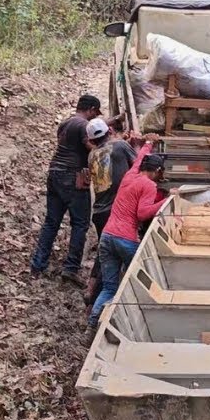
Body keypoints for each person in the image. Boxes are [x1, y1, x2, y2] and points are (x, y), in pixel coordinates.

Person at [88, 139, 169, 329]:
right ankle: (127, 323)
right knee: (140, 280)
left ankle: (92, 325)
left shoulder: (130, 175)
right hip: (125, 239)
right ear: (157, 171)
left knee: (109, 287)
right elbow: (143, 213)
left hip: (107, 236)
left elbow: (139, 157)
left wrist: (148, 144)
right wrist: (166, 200)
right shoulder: (149, 186)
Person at [31, 94, 102, 286]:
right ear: (92, 110)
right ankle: (70, 269)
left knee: (51, 222)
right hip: (73, 177)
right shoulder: (83, 126)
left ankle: (38, 264)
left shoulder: (66, 123)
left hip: (55, 173)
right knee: (80, 224)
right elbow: (93, 147)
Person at [85, 119, 139, 306]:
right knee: (113, 255)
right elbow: (138, 166)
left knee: (104, 251)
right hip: (116, 210)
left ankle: (91, 291)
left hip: (99, 211)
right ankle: (98, 297)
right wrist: (138, 145)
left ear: (92, 139)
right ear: (109, 130)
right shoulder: (121, 146)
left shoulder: (92, 155)